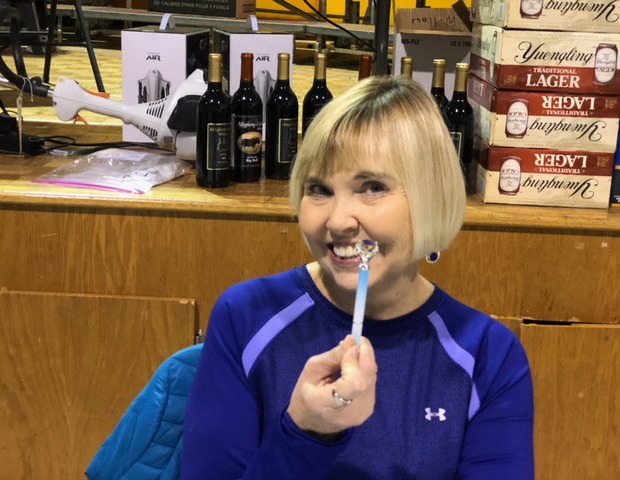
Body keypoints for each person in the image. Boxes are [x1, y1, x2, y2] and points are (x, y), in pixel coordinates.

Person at [181, 76, 534, 479]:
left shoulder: (488, 356)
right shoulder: (246, 316)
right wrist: (306, 431)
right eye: (319, 189)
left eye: (372, 187)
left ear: (432, 197)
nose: (337, 221)